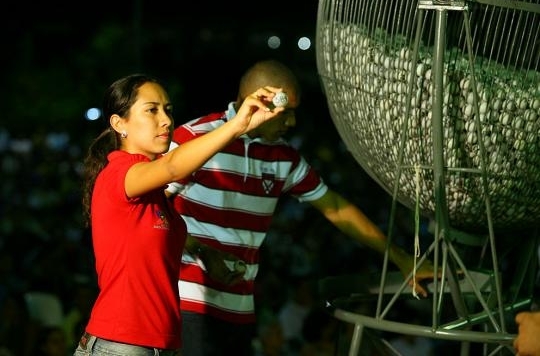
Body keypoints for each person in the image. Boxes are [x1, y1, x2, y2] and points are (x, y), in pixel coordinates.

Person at [166, 59, 436, 356]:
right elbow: (149, 210)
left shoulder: (285, 158)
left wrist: (399, 257)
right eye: (287, 112)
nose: (292, 123)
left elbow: (334, 206)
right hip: (188, 301)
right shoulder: (193, 138)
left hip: (240, 307)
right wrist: (203, 252)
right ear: (260, 102)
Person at [75, 74, 285, 356]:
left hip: (162, 344)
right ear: (119, 123)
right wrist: (237, 126)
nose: (166, 120)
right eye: (151, 110)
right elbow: (174, 166)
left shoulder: (153, 191)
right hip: (119, 344)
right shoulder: (118, 174)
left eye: (168, 110)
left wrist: (202, 251)